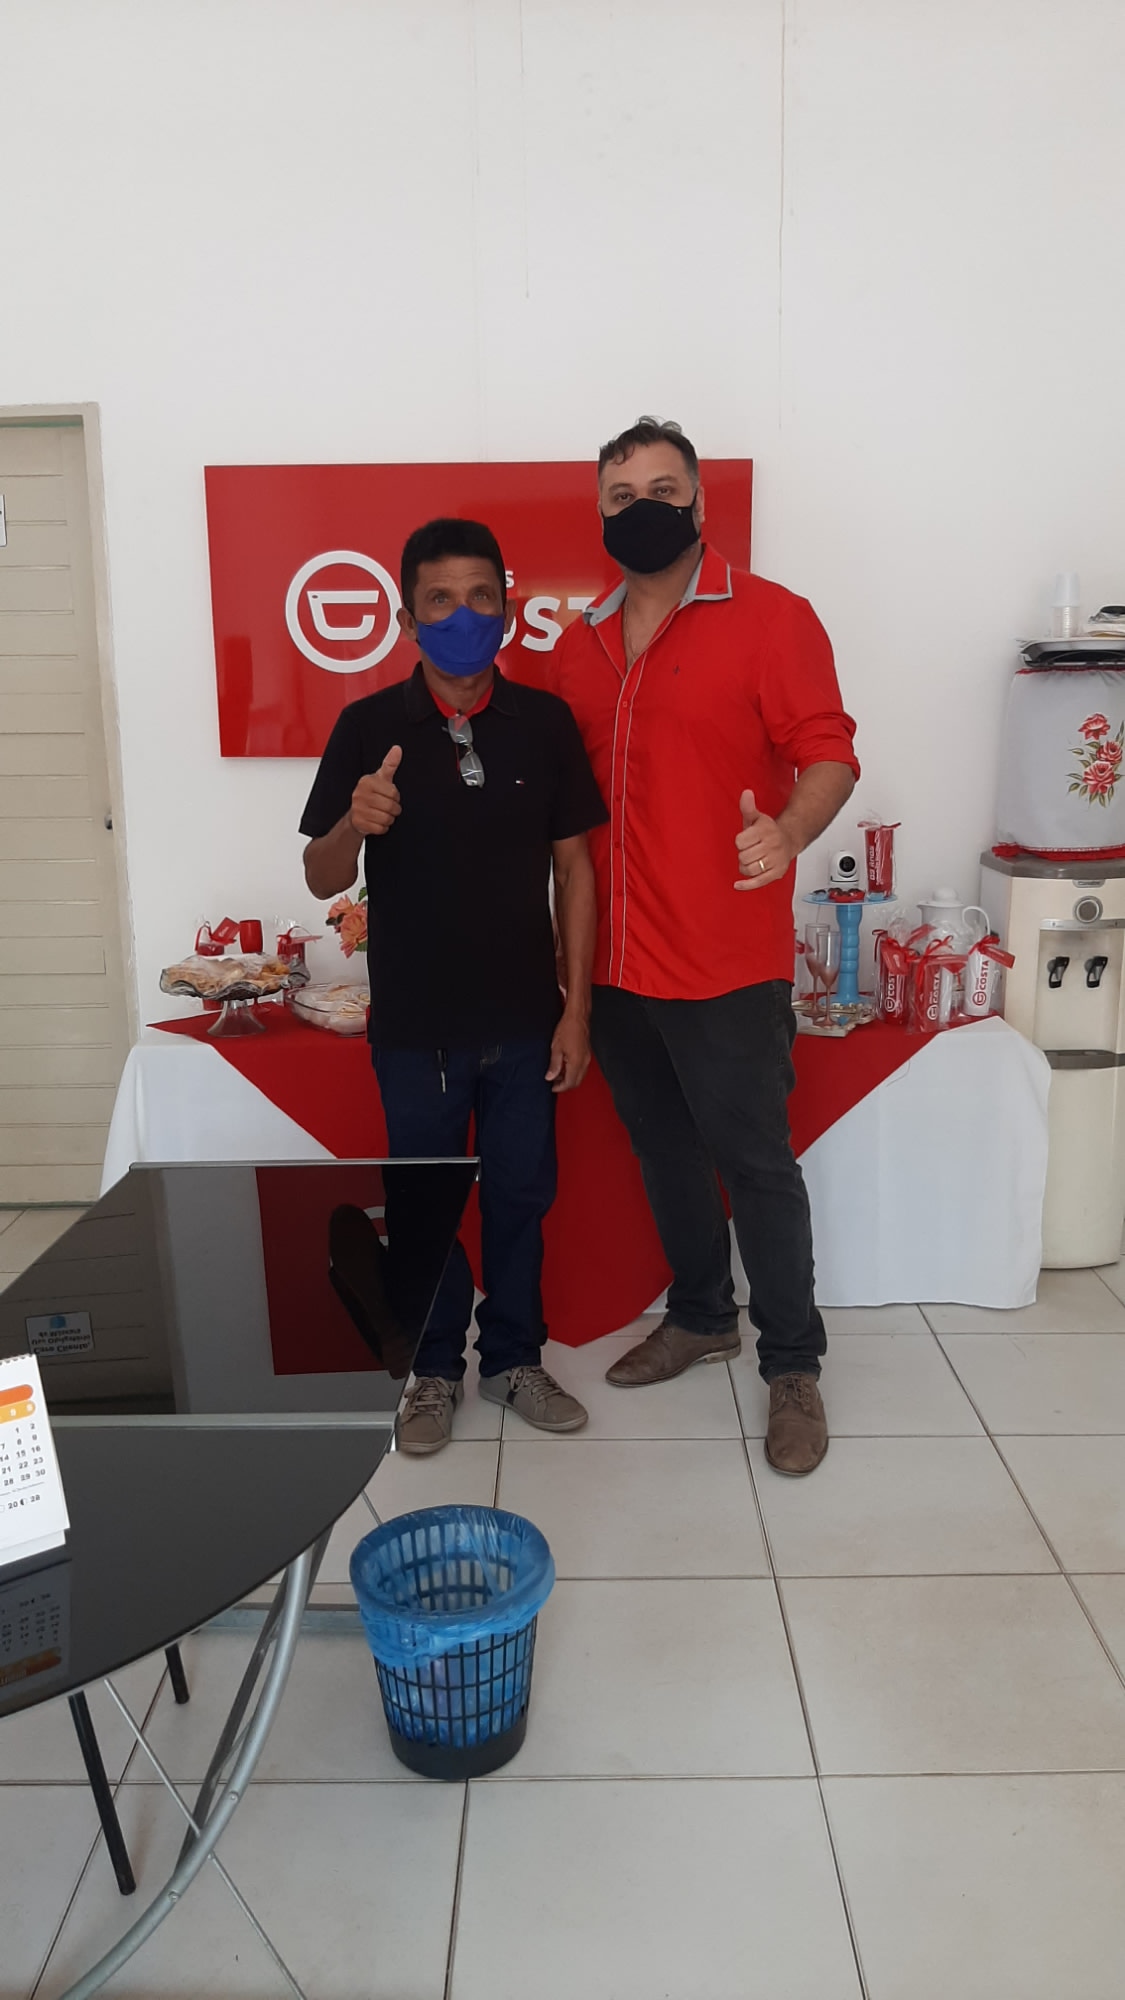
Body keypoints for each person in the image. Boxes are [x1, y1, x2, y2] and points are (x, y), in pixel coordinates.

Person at [548, 418, 859, 1476]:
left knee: (755, 1165)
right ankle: (699, 1315)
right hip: (614, 964)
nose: (641, 508)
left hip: (725, 959)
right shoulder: (577, 646)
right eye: (620, 494)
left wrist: (791, 829)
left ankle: (794, 1365)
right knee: (663, 1149)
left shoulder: (772, 618)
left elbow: (828, 750)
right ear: (600, 514)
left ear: (699, 503)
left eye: (661, 490)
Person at [300, 517, 607, 1453]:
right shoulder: (367, 728)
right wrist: (353, 823)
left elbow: (575, 872)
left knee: (520, 1199)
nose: (462, 615)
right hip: (416, 1028)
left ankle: (514, 1359)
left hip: (523, 1022)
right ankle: (432, 1370)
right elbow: (320, 875)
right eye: (439, 600)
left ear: (506, 612)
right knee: (425, 1208)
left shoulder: (544, 724)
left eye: (480, 597)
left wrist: (577, 1011)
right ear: (406, 618)